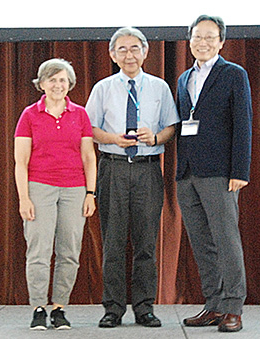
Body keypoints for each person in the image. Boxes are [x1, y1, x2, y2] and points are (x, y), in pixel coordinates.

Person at [85, 26, 179, 328]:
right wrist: (113, 137)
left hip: (147, 169)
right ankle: (112, 308)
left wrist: (154, 138)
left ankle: (144, 307)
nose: (129, 54)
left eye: (134, 48)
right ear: (113, 54)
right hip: (112, 167)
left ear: (145, 52)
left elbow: (171, 128)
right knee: (113, 243)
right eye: (122, 49)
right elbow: (88, 130)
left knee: (146, 243)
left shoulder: (159, 87)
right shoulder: (103, 88)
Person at [175, 15, 253, 333]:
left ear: (221, 42)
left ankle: (233, 307)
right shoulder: (183, 79)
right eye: (197, 37)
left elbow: (243, 123)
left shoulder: (233, 74)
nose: (203, 42)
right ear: (189, 40)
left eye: (210, 37)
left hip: (220, 172)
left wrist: (240, 170)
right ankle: (213, 304)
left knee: (226, 239)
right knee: (202, 242)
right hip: (187, 173)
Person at [14, 58, 97, 331]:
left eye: (62, 80)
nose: (58, 85)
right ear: (42, 84)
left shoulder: (81, 115)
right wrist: (24, 198)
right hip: (40, 187)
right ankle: (38, 308)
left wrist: (90, 193)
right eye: (52, 79)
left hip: (74, 189)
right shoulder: (29, 115)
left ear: (69, 84)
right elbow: (21, 162)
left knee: (69, 252)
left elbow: (88, 157)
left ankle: (59, 308)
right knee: (38, 251)